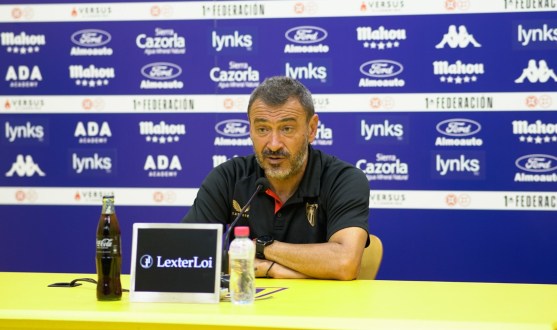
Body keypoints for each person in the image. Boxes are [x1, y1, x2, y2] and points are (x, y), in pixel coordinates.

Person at [182, 76, 370, 280]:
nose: (273, 144)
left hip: (322, 308)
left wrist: (263, 250)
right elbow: (186, 256)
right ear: (250, 129)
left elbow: (344, 263)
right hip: (246, 307)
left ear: (311, 129)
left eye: (286, 129)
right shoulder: (228, 177)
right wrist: (273, 269)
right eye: (263, 129)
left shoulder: (343, 179)